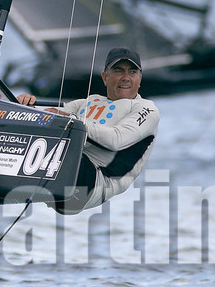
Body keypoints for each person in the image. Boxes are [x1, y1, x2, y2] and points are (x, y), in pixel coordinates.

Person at [17, 46, 160, 213]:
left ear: (140, 78)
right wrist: (24, 106)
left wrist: (71, 120)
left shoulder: (146, 109)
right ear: (105, 77)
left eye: (132, 72)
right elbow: (47, 116)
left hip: (94, 184)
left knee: (60, 147)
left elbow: (116, 140)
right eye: (118, 71)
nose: (126, 78)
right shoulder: (89, 101)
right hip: (63, 171)